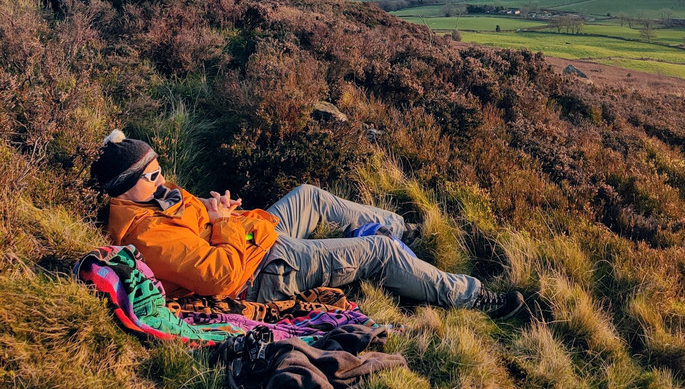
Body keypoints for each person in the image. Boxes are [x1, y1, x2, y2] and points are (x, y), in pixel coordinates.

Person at [90, 130, 524, 319]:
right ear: (125, 189)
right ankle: (475, 297)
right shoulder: (145, 235)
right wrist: (223, 225)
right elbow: (220, 278)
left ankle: (403, 229)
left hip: (250, 236)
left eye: (160, 167)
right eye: (151, 175)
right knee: (378, 254)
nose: (162, 177)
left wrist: (213, 206)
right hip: (260, 272)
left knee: (309, 194)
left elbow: (195, 216)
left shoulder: (154, 198)